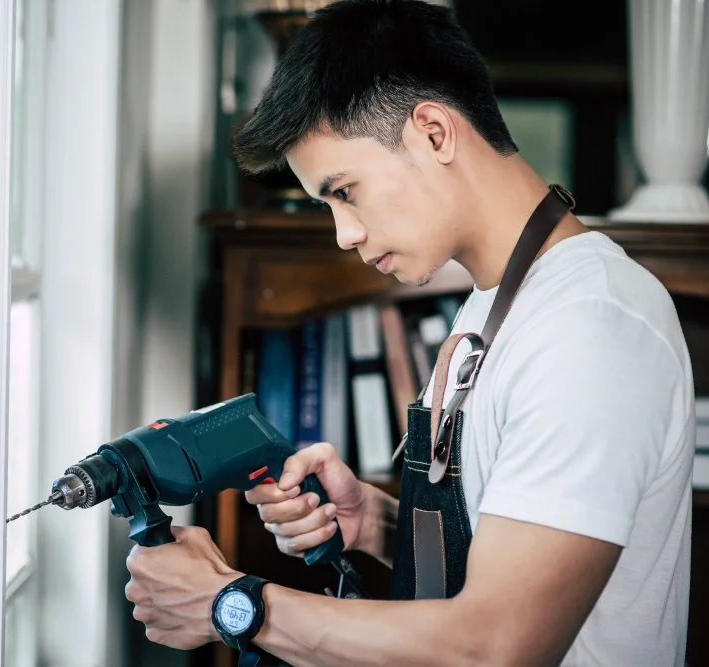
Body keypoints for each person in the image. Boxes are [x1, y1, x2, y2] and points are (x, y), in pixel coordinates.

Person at [123, 1, 696, 664]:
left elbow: (495, 648)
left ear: (433, 133)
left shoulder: (590, 329)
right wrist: (376, 521)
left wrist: (234, 603)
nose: (345, 234)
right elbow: (511, 558)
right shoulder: (493, 308)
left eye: (346, 191)